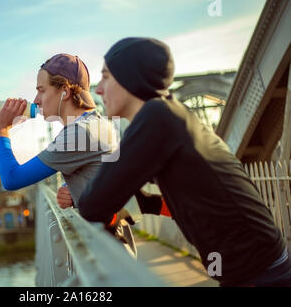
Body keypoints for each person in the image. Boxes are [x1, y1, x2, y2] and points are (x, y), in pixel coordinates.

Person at [57, 37, 291, 287]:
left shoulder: (156, 117)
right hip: (257, 267)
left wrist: (84, 193)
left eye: (106, 77)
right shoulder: (169, 114)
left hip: (261, 275)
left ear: (129, 78)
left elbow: (94, 205)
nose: (99, 89)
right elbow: (158, 192)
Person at [0, 53, 137, 255]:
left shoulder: (78, 134)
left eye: (41, 91)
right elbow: (102, 172)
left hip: (107, 256)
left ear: (64, 91)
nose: (36, 100)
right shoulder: (98, 123)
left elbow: (11, 179)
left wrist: (1, 130)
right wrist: (76, 189)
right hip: (115, 249)